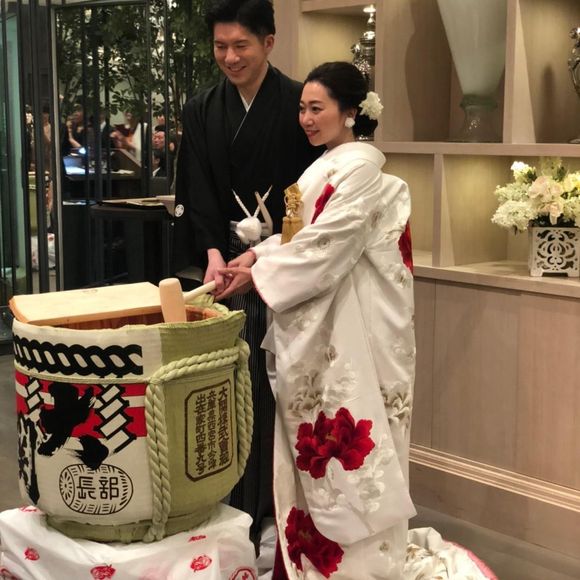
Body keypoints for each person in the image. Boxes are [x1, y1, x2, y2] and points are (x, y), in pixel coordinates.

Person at [217, 62, 416, 579]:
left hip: (354, 326)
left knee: (353, 441)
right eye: (302, 108)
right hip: (324, 316)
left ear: (350, 111)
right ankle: (308, 558)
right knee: (314, 444)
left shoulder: (362, 170)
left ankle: (365, 567)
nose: (305, 118)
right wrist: (257, 254)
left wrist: (260, 269)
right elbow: (300, 239)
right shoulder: (323, 167)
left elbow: (331, 243)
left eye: (317, 108)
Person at [172, 0, 322, 546]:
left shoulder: (298, 103)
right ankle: (224, 501)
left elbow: (312, 190)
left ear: (269, 43)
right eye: (220, 46)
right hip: (222, 265)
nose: (230, 57)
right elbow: (196, 184)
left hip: (284, 262)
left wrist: (269, 255)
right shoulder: (202, 107)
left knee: (273, 384)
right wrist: (212, 252)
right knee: (225, 382)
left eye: (241, 45)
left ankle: (271, 505)